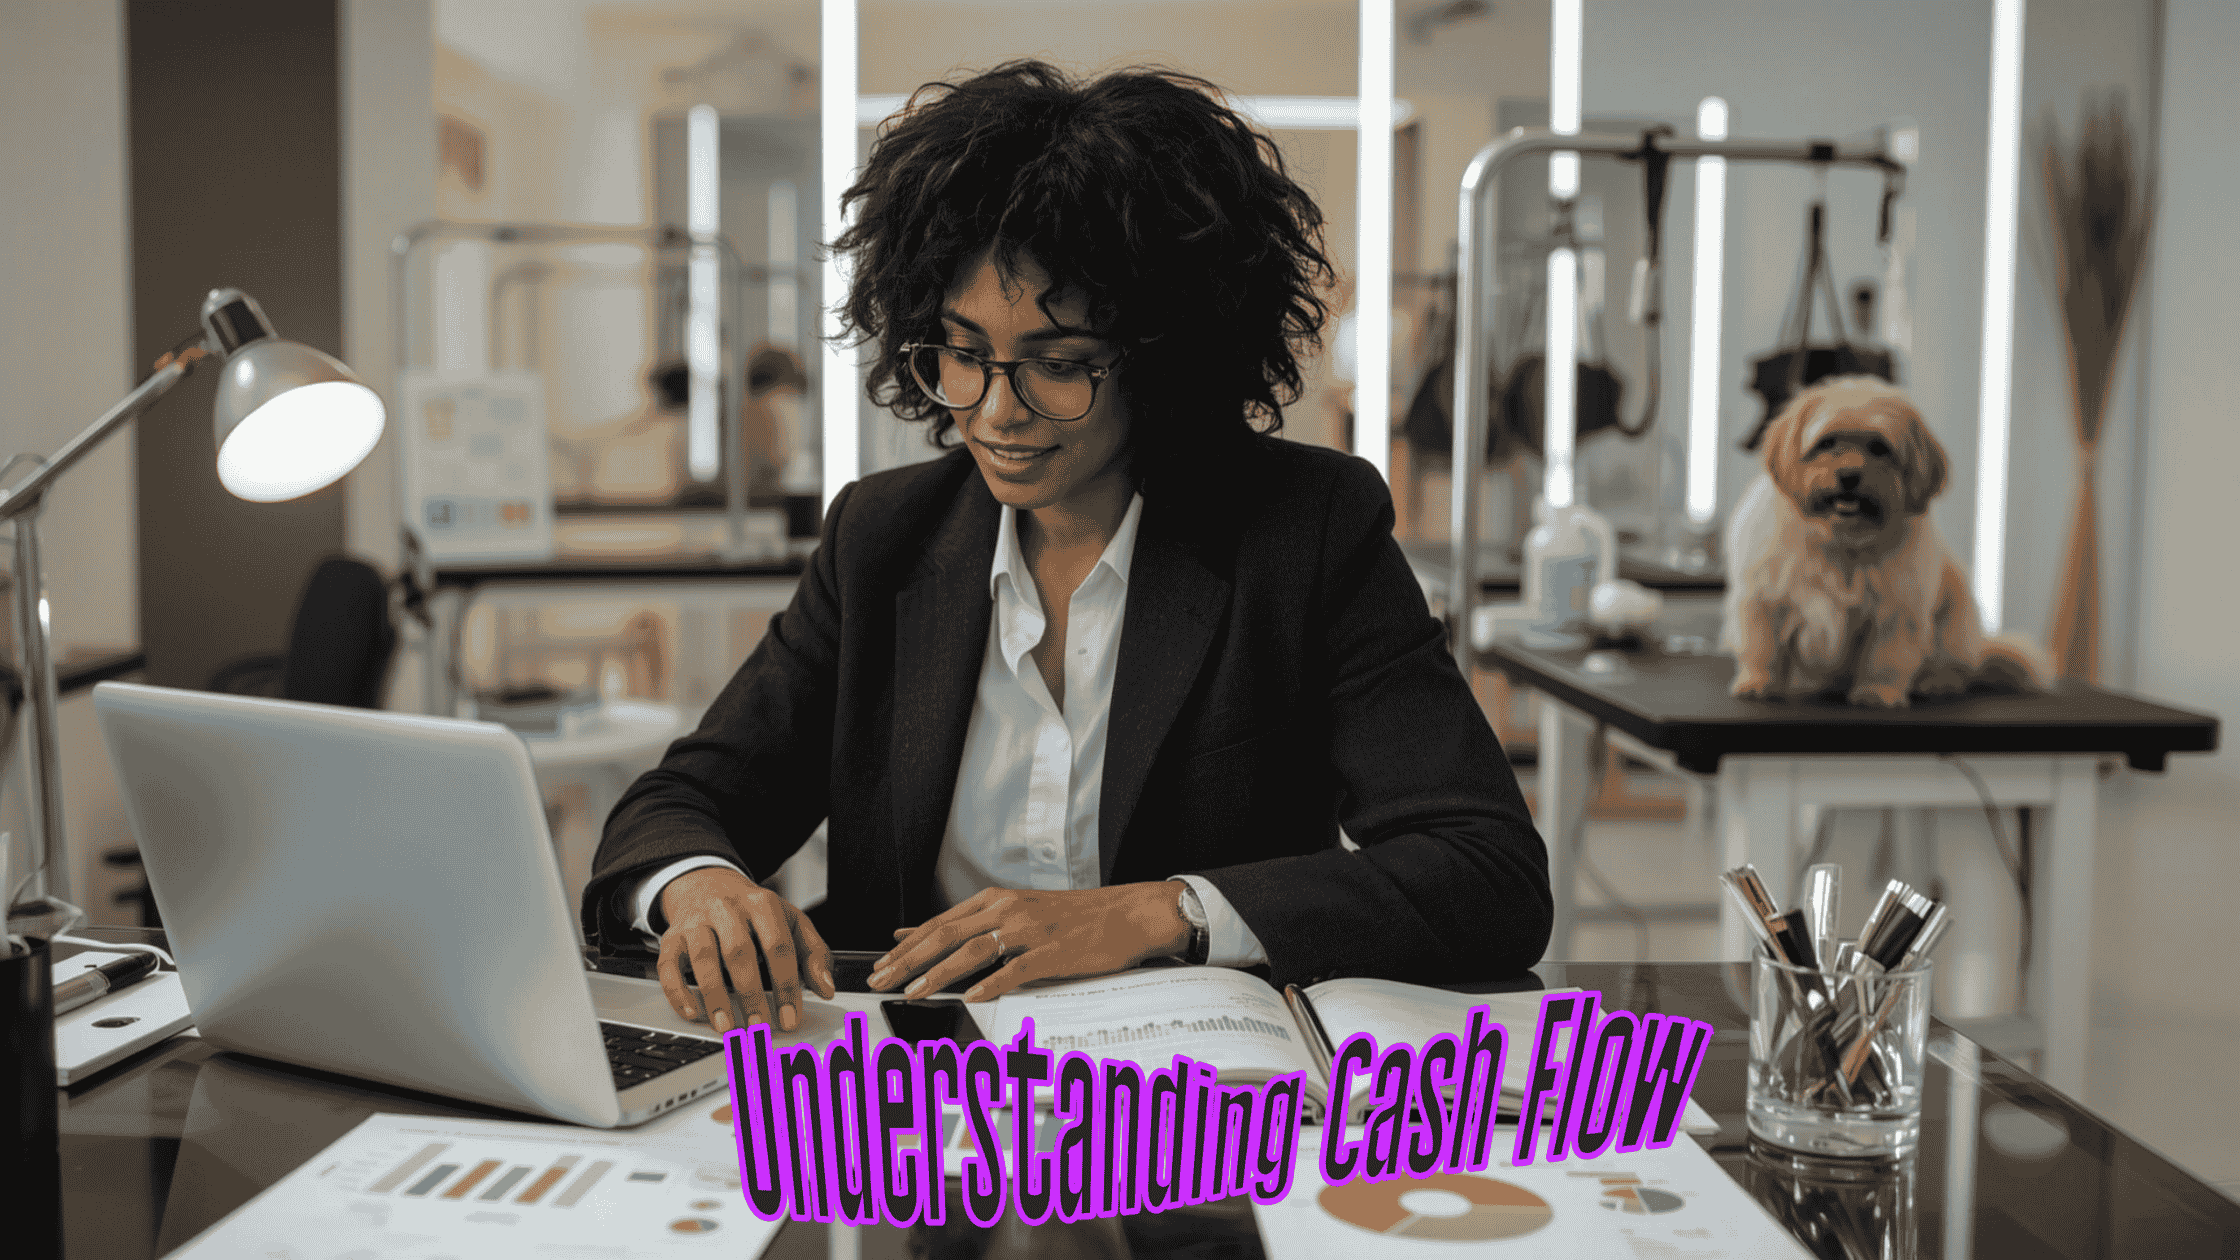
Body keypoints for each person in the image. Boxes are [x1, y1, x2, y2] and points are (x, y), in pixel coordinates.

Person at [581, 60, 1549, 1036]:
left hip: (1191, 1088)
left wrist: (1161, 912)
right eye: (961, 353)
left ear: (1166, 359)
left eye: (1058, 364)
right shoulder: (881, 539)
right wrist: (700, 889)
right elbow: (676, 807)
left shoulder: (1305, 532)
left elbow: (1485, 871)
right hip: (909, 1075)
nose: (997, 411)